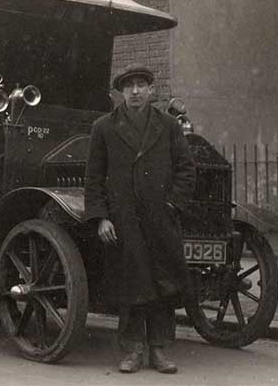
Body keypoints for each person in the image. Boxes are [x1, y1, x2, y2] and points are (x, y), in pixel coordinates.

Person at [84, 63, 196, 374]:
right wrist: (101, 218)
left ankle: (159, 351)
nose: (135, 91)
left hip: (161, 218)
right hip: (124, 220)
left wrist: (173, 203)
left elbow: (186, 169)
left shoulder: (168, 126)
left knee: (163, 284)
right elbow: (93, 178)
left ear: (151, 90)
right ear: (120, 92)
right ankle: (133, 350)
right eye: (129, 86)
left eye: (141, 85)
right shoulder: (104, 127)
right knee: (133, 285)